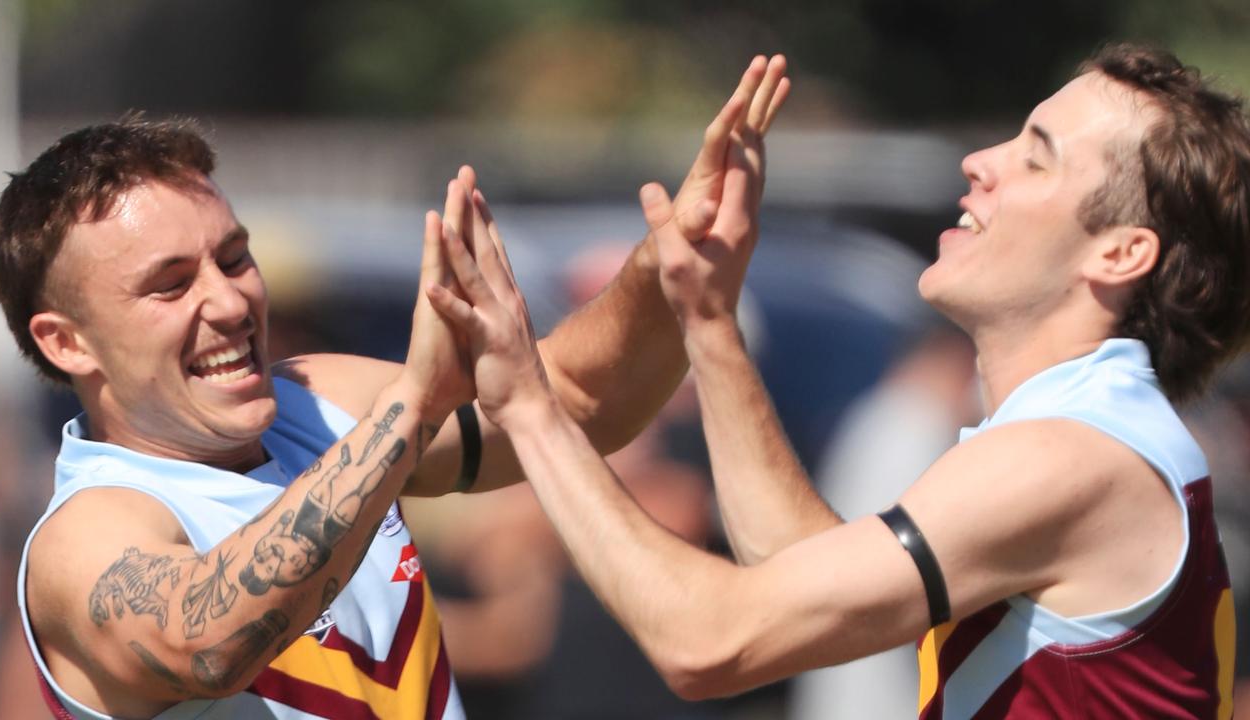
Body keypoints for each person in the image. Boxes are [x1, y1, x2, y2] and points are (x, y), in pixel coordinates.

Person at [426, 44, 1249, 718]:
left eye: (1035, 159)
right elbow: (798, 576)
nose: (980, 161)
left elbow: (710, 645)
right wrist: (708, 321)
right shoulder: (1091, 431)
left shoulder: (1074, 456)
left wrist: (529, 406)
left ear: (1120, 254)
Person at [0, 56, 788, 719]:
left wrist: (666, 267)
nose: (231, 300)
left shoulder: (316, 402)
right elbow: (205, 645)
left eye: (233, 259)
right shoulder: (83, 533)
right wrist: (411, 406)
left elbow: (577, 406)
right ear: (67, 343)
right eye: (170, 285)